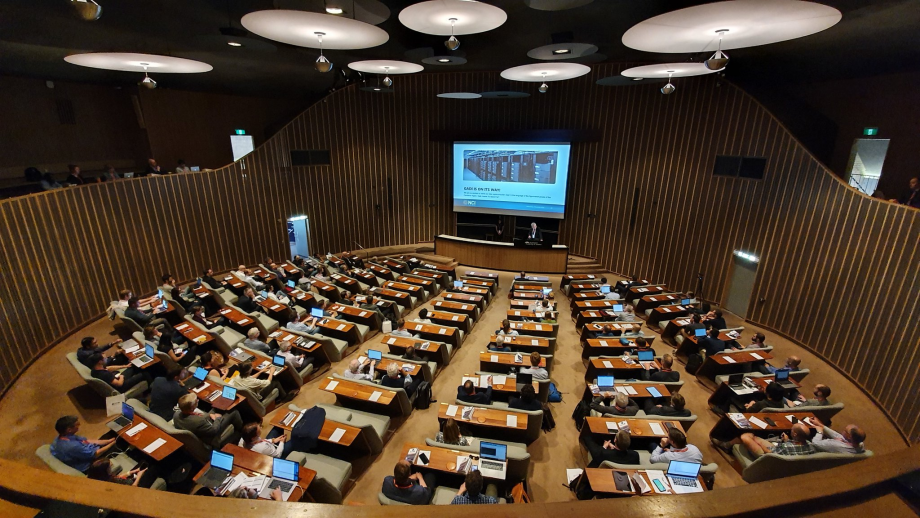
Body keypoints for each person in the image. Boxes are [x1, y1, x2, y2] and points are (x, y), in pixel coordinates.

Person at [173, 393, 243, 449]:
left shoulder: (176, 414)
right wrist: (217, 418)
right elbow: (214, 430)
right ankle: (241, 431)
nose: (197, 400)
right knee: (234, 412)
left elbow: (192, 420)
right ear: (191, 408)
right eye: (196, 401)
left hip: (199, 428)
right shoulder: (198, 421)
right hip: (210, 437)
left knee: (214, 408)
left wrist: (194, 414)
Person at [50, 416, 117, 472]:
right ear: (69, 429)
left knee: (110, 434)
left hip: (86, 450)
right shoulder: (73, 446)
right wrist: (112, 444)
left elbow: (87, 441)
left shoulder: (63, 437)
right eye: (76, 425)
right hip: (87, 464)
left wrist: (108, 441)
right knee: (118, 445)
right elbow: (95, 454)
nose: (79, 426)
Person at [715, 423, 815, 458]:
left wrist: (759, 444)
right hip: (780, 451)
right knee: (753, 436)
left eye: (792, 430)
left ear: (795, 434)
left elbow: (769, 453)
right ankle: (729, 444)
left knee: (745, 436)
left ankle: (726, 446)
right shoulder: (810, 445)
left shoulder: (786, 447)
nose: (791, 431)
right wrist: (786, 441)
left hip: (767, 457)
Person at [87, 458, 154, 488]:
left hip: (128, 481)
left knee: (144, 461)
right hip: (135, 485)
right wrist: (139, 476)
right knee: (154, 468)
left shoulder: (103, 478)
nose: (112, 467)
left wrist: (132, 472)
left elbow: (117, 477)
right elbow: (133, 489)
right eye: (110, 467)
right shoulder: (110, 484)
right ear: (104, 471)